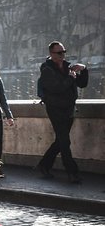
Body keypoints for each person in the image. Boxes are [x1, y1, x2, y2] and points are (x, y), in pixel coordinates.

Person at [36, 41, 88, 184]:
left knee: (61, 140)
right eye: (59, 52)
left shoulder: (68, 67)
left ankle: (44, 165)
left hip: (69, 109)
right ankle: (72, 172)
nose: (62, 55)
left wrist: (83, 69)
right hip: (55, 109)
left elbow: (82, 84)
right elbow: (56, 88)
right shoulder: (47, 70)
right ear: (51, 54)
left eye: (64, 51)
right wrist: (70, 78)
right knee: (65, 141)